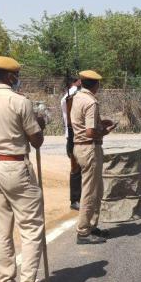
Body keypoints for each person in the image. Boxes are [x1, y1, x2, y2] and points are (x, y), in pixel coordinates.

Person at [0, 56, 60, 282]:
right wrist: (40, 125)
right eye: (16, 75)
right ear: (11, 76)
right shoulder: (19, 102)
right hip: (15, 167)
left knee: (2, 228)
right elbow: (36, 141)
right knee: (32, 226)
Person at [70, 69, 116, 245]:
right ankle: (83, 231)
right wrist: (104, 131)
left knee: (96, 190)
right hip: (89, 148)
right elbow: (90, 132)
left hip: (80, 147)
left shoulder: (78, 97)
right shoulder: (91, 102)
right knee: (90, 191)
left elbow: (83, 124)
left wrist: (99, 123)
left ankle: (90, 226)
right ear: (96, 84)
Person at [60, 76, 82, 210]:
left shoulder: (75, 96)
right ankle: (75, 200)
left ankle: (82, 197)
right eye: (78, 81)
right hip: (72, 136)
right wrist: (76, 86)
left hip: (78, 137)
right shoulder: (67, 98)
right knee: (75, 169)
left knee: (81, 169)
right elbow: (71, 94)